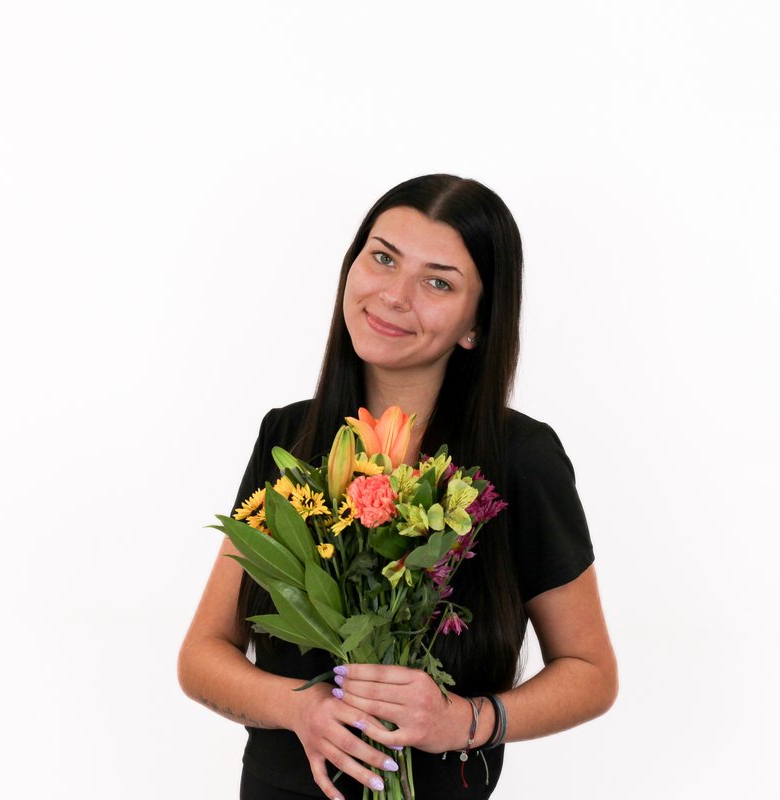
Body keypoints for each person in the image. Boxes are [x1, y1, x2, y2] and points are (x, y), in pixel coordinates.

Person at [178, 174, 618, 799]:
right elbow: (202, 656)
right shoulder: (292, 436)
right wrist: (300, 708)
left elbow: (591, 672)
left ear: (476, 324)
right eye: (382, 258)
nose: (394, 295)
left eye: (438, 281)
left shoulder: (521, 458)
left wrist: (463, 722)